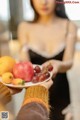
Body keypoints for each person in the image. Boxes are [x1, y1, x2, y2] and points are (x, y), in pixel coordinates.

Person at [17, 0, 77, 120]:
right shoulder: (24, 27)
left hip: (61, 92)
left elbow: (69, 62)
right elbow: (24, 61)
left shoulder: (69, 25)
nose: (44, 2)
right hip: (35, 92)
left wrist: (58, 65)